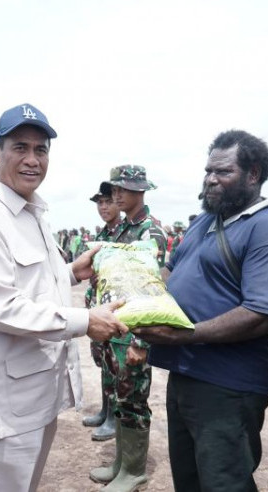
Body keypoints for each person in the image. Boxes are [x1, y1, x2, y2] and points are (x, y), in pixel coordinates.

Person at [0, 103, 128, 492]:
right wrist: (86, 322)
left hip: (32, 398)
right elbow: (1, 307)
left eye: (41, 150)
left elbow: (28, 286)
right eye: (20, 148)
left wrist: (70, 272)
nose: (32, 160)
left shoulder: (31, 214)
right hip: (3, 408)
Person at [133, 130, 268, 492]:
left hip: (228, 385)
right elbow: (172, 269)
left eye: (223, 172)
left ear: (253, 175)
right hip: (185, 372)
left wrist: (186, 333)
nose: (210, 179)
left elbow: (264, 313)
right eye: (208, 171)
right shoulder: (206, 220)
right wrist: (143, 299)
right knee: (189, 480)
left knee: (224, 482)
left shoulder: (266, 230)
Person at [89, 164, 167, 492]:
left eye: (122, 189)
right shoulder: (122, 230)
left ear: (140, 190)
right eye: (114, 189)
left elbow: (153, 293)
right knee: (120, 397)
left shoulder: (151, 232)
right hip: (115, 329)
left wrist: (141, 342)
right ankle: (121, 463)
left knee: (134, 399)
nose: (116, 194)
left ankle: (134, 470)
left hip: (134, 333)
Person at [83, 183, 123, 441]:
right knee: (104, 363)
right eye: (100, 203)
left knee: (117, 366)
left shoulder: (125, 234)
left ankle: (113, 417)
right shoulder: (104, 235)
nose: (104, 207)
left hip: (117, 310)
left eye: (108, 201)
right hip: (99, 306)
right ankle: (105, 410)